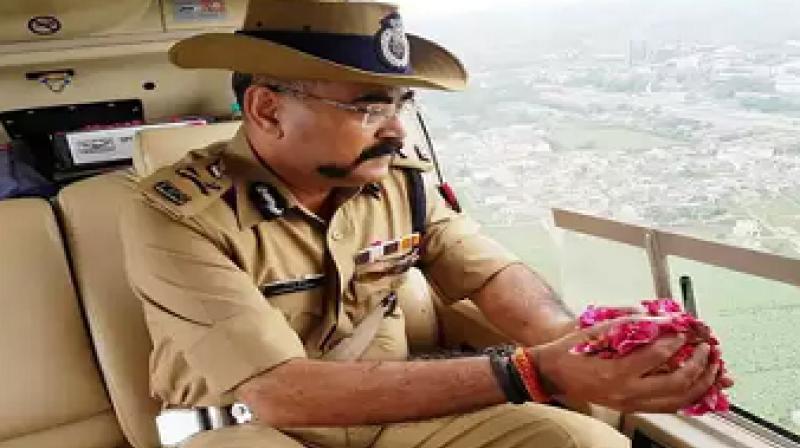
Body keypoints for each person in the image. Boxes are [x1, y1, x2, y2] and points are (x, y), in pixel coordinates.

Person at [120, 1, 729, 447]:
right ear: (268, 109)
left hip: (397, 407)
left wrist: (583, 343)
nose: (396, 129)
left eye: (400, 104)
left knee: (584, 444)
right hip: (261, 424)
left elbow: (493, 275)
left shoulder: (398, 183)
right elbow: (277, 390)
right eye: (368, 107)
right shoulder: (176, 217)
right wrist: (536, 368)